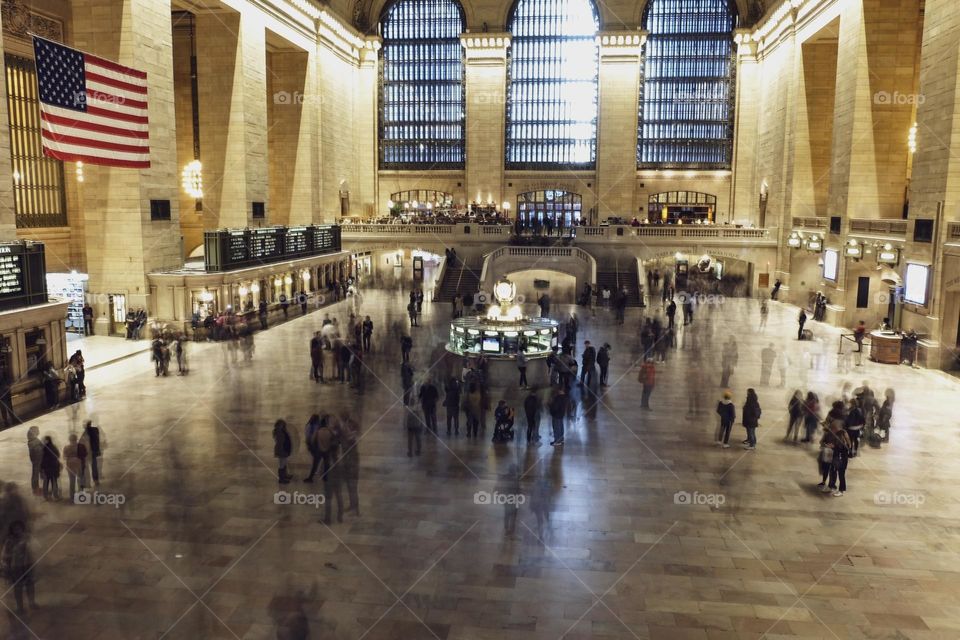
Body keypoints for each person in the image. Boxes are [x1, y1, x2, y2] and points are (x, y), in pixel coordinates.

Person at [1, 521, 37, 613]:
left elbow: (35, 547)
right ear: (12, 531)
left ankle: (32, 602)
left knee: (30, 584)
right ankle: (19, 607)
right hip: (16, 567)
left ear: (22, 529)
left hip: (28, 564)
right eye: (15, 529)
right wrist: (6, 567)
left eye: (19, 529)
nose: (17, 531)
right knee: (18, 587)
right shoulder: (10, 541)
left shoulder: (27, 537)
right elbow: (6, 555)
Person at [338, 413, 360, 516]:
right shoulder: (349, 447)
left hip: (352, 470)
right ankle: (353, 506)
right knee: (350, 488)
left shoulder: (351, 449)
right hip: (349, 469)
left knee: (353, 488)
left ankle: (356, 508)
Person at [827, 421, 852, 496]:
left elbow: (840, 450)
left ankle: (841, 490)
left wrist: (833, 447)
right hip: (838, 459)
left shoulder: (842, 442)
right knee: (833, 472)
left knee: (841, 474)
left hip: (841, 460)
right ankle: (832, 486)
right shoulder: (841, 438)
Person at [63, 433, 87, 501]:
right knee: (80, 480)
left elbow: (64, 457)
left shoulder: (66, 447)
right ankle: (81, 495)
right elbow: (85, 454)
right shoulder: (81, 446)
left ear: (69, 440)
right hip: (79, 465)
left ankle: (72, 496)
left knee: (72, 481)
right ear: (76, 439)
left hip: (70, 465)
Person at [302, 415, 323, 483]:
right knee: (316, 461)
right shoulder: (315, 426)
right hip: (315, 445)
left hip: (313, 445)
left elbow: (308, 436)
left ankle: (311, 476)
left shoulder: (309, 425)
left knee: (316, 460)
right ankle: (311, 476)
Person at [40, 436, 61, 500]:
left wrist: (41, 467)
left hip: (47, 467)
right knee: (54, 482)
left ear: (47, 440)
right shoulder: (54, 447)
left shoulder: (44, 448)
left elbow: (43, 459)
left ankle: (46, 497)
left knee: (46, 482)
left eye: (45, 440)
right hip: (54, 467)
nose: (43, 441)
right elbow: (58, 455)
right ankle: (55, 496)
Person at [273, 419, 293, 484]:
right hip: (281, 450)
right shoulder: (278, 432)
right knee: (281, 464)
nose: (282, 426)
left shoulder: (282, 431)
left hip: (284, 449)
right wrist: (283, 450)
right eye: (281, 425)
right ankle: (281, 479)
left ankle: (284, 475)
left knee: (284, 463)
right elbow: (280, 442)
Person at [27, 427, 43, 496]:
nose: (39, 431)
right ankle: (35, 489)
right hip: (37, 460)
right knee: (35, 474)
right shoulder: (34, 442)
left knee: (36, 474)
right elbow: (38, 450)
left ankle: (36, 488)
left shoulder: (33, 441)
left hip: (37, 459)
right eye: (37, 430)